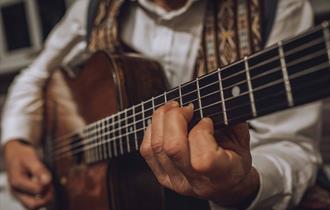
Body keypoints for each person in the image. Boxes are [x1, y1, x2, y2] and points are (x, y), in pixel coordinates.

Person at [1, 0, 323, 209]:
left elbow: (292, 146)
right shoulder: (91, 8)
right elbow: (36, 75)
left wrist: (242, 186)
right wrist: (16, 142)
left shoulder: (276, 7)